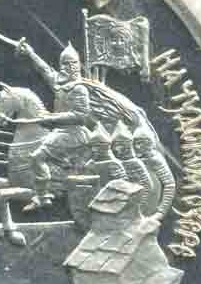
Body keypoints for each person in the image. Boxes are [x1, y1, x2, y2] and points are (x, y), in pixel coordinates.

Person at [16, 40, 91, 211]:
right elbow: (45, 70)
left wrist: (52, 117)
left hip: (74, 133)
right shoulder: (60, 83)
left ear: (78, 65)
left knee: (37, 157)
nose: (68, 67)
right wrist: (30, 53)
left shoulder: (79, 89)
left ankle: (43, 197)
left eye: (72, 63)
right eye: (65, 63)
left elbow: (82, 115)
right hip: (60, 131)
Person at [133, 125, 176, 220]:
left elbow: (169, 184)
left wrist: (161, 212)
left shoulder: (155, 160)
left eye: (140, 143)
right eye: (134, 143)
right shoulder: (133, 159)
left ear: (149, 143)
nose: (136, 147)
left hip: (149, 207)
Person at [111, 121, 152, 210]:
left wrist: (139, 206)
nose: (117, 148)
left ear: (127, 145)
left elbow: (147, 186)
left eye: (120, 144)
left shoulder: (135, 163)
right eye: (115, 144)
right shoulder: (113, 163)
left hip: (134, 204)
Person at [83, 122, 127, 189]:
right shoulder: (90, 164)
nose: (94, 149)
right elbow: (87, 184)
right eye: (92, 146)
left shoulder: (114, 164)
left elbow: (123, 185)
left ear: (105, 146)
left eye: (97, 146)